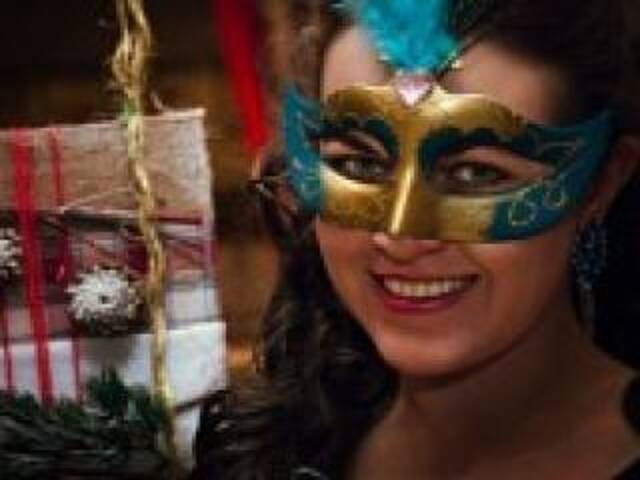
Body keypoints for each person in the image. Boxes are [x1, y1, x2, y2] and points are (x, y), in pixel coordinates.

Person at [191, 0, 640, 478]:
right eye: (359, 165)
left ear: (600, 184)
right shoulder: (263, 451)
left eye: (475, 173)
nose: (401, 237)